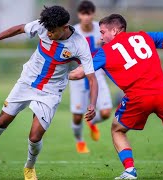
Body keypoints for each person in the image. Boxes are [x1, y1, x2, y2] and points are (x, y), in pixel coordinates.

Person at [69, 14, 163, 179]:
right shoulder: (144, 36)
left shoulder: (104, 52)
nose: (101, 36)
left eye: (103, 32)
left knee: (117, 130)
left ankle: (129, 170)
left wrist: (53, 74)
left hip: (137, 98)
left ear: (114, 30)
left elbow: (79, 74)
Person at [0, 5, 98, 180]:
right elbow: (19, 28)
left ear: (64, 27)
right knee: (3, 120)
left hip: (50, 92)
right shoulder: (43, 25)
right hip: (27, 82)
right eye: (47, 30)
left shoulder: (79, 45)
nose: (48, 33)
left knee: (35, 136)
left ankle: (29, 167)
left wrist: (92, 104)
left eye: (52, 31)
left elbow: (92, 78)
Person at [69, 0, 113, 153]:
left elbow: (111, 45)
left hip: (97, 75)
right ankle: (80, 141)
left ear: (93, 14)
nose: (86, 17)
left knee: (106, 112)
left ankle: (92, 122)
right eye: (83, 14)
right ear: (79, 15)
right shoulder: (72, 32)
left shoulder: (101, 30)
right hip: (79, 78)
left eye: (89, 14)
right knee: (76, 116)